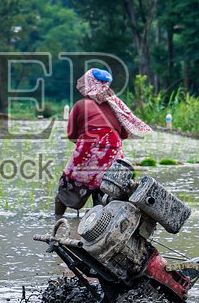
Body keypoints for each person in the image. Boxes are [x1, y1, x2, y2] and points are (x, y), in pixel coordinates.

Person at [54, 68, 153, 218]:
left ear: (88, 83)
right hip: (113, 152)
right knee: (105, 191)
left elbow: (71, 135)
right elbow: (124, 134)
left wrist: (88, 147)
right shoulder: (116, 105)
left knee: (68, 183)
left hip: (88, 147)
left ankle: (57, 219)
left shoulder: (81, 105)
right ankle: (101, 219)